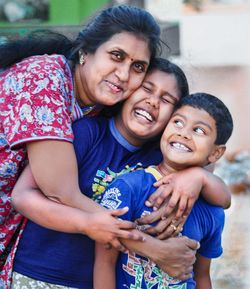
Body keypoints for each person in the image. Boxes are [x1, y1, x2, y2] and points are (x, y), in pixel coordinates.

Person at [10, 61, 230, 289]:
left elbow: (222, 198)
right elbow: (29, 195)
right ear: (126, 90)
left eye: (166, 100)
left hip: (95, 280)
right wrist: (148, 246)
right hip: (42, 273)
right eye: (146, 88)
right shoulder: (87, 132)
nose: (153, 101)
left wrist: (199, 177)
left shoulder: (162, 157)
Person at [0, 4, 162, 286]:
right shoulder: (44, 77)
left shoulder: (97, 108)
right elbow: (61, 193)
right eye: (116, 56)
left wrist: (193, 178)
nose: (124, 75)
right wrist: (148, 246)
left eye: (138, 67)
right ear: (85, 52)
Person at [94, 92, 233, 289]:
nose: (184, 133)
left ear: (216, 152)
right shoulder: (129, 187)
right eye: (177, 122)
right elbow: (104, 263)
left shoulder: (212, 211)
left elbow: (202, 276)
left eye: (199, 131)